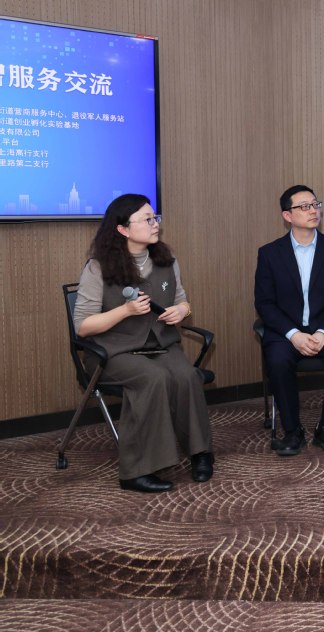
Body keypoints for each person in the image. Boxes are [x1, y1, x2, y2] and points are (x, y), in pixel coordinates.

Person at [72, 194, 213, 493]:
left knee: (187, 376)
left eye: (155, 217)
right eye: (147, 219)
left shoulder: (166, 262)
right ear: (123, 229)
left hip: (160, 345)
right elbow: (83, 327)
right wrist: (125, 311)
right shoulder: (97, 268)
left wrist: (182, 311)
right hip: (112, 352)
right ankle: (135, 472)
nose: (155, 224)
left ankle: (200, 452)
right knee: (153, 378)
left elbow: (182, 301)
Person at [254, 185, 324, 456]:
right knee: (278, 361)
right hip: (286, 332)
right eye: (304, 206)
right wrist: (293, 334)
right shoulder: (270, 253)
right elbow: (264, 303)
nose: (313, 211)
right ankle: (292, 430)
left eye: (315, 204)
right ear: (287, 216)